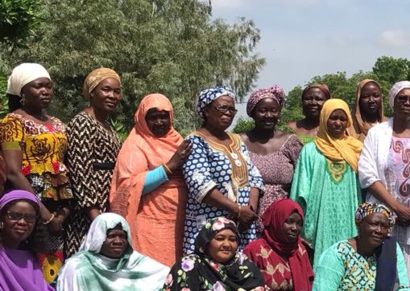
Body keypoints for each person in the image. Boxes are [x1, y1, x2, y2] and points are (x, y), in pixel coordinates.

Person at [359, 81, 410, 285]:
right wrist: (396, 208)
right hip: (383, 214)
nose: (407, 102)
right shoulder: (376, 134)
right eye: (402, 98)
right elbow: (367, 173)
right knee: (383, 271)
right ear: (392, 101)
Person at [0, 63, 73, 282]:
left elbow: (63, 165)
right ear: (22, 92)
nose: (45, 91)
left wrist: (61, 213)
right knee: (25, 262)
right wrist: (44, 214)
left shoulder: (59, 124)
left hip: (58, 201)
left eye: (49, 86)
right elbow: (13, 171)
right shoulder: (12, 123)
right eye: (38, 86)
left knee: (52, 266)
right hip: (27, 201)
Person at [110, 94, 190, 267]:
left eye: (164, 117)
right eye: (153, 117)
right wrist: (169, 167)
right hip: (150, 222)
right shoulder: (135, 144)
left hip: (181, 220)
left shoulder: (177, 140)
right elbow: (127, 186)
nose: (159, 122)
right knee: (153, 271)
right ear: (142, 119)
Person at [183, 86, 263, 253]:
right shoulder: (196, 141)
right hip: (210, 225)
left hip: (242, 225)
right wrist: (237, 210)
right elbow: (200, 186)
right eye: (222, 108)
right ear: (206, 110)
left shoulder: (236, 140)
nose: (228, 113)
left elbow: (254, 175)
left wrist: (250, 209)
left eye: (232, 109)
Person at [290, 98, 363, 260]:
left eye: (342, 119)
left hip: (350, 216)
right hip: (319, 218)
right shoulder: (310, 151)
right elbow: (300, 189)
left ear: (348, 122)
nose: (338, 123)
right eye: (333, 118)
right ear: (324, 119)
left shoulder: (357, 149)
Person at [66, 67, 122, 259]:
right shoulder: (83, 122)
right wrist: (95, 217)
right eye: (106, 90)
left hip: (107, 201)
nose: (112, 95)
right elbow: (80, 172)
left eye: (116, 91)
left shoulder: (108, 125)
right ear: (91, 92)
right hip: (89, 209)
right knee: (87, 258)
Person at [241, 85, 303, 218]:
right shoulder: (238, 141)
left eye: (274, 110)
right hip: (246, 216)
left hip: (282, 219)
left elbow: (303, 179)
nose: (269, 115)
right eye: (263, 111)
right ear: (252, 112)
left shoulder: (290, 142)